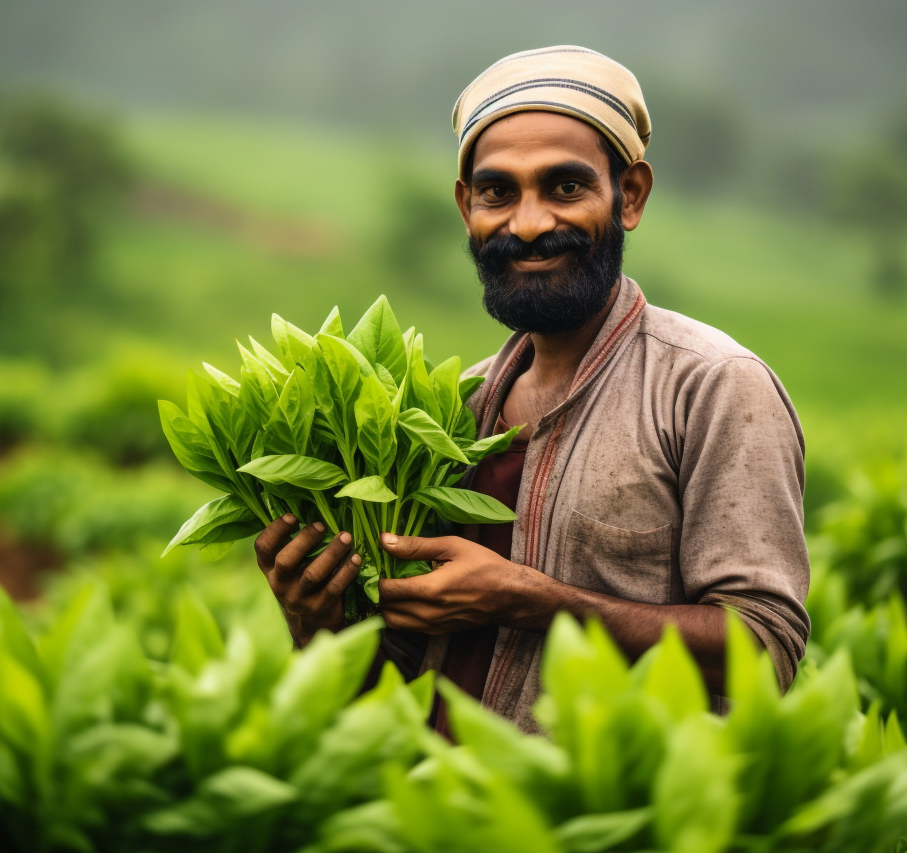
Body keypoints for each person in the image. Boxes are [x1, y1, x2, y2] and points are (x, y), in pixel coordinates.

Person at [254, 45, 811, 734]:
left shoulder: (712, 386)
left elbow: (766, 648)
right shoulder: (447, 411)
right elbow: (399, 670)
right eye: (498, 192)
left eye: (565, 187)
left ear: (629, 195)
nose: (527, 223)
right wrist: (320, 618)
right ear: (467, 207)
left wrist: (528, 600)